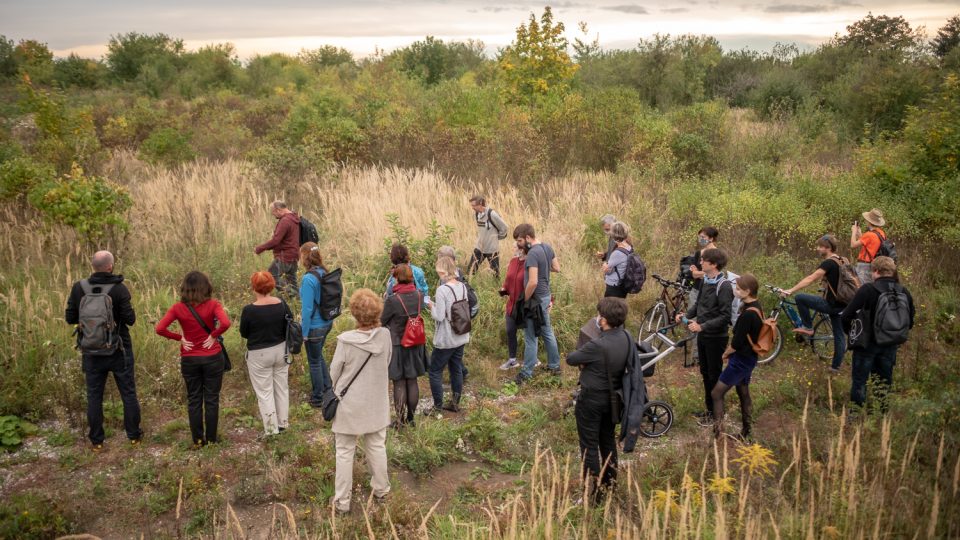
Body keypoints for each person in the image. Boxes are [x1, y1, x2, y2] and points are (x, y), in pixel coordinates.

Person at [65, 250, 143, 451]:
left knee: (94, 396)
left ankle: (97, 441)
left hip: (91, 351)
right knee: (128, 393)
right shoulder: (119, 289)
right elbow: (131, 321)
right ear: (110, 266)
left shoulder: (79, 288)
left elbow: (70, 317)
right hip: (119, 350)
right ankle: (134, 436)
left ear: (93, 266)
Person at [330, 289, 392, 514]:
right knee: (376, 446)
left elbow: (334, 373)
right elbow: (387, 362)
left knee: (345, 451)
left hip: (349, 405)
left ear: (354, 313)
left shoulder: (345, 341)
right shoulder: (385, 336)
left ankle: (342, 502)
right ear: (378, 311)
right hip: (376, 401)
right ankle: (381, 490)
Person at [566, 297, 631, 503]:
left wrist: (587, 362)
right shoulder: (627, 337)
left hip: (592, 400)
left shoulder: (598, 345)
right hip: (614, 400)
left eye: (599, 316)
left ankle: (591, 493)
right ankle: (609, 485)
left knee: (589, 446)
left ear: (603, 320)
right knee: (608, 441)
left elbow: (571, 358)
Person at [156, 271, 231, 447]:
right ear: (206, 287)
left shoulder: (177, 308)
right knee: (212, 398)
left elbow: (160, 328)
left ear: (185, 289)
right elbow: (226, 323)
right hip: (212, 356)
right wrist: (214, 335)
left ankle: (197, 440)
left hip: (189, 358)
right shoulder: (213, 305)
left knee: (194, 399)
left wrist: (179, 338)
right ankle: (212, 439)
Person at [840, 256, 915, 413]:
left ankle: (855, 415)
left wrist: (852, 333)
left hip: (866, 344)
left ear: (875, 271)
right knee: (884, 381)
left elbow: (846, 315)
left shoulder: (868, 290)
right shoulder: (903, 291)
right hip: (890, 344)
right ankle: (882, 415)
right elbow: (910, 321)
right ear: (892, 271)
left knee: (860, 380)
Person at [676, 248, 733, 426]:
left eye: (704, 260)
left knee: (714, 374)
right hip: (703, 335)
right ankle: (709, 411)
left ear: (713, 264)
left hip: (716, 337)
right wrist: (685, 314)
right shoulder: (705, 281)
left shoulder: (724, 286)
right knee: (705, 372)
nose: (700, 262)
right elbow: (699, 305)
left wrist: (702, 326)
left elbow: (725, 316)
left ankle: (717, 415)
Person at [779, 234, 848, 373]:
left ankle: (808, 327)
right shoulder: (843, 260)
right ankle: (835, 367)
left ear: (827, 248)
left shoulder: (828, 263)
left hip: (832, 304)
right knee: (839, 336)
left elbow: (811, 278)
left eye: (820, 247)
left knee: (800, 298)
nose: (817, 249)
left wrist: (791, 290)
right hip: (843, 303)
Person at [239, 271, 291, 437]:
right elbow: (289, 324)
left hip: (259, 354)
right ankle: (283, 423)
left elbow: (244, 333)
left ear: (254, 288)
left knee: (265, 392)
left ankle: (271, 429)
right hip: (281, 349)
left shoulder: (249, 310)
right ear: (272, 285)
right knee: (281, 388)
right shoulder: (282, 304)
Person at [711, 273, 762, 441]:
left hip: (741, 360)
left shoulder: (748, 314)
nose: (735, 290)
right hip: (749, 358)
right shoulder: (755, 305)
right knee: (743, 392)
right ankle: (747, 431)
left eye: (739, 289)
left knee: (717, 393)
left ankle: (718, 434)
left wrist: (726, 353)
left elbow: (738, 341)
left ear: (748, 291)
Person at [380, 264, 428, 427]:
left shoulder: (393, 300)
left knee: (399, 382)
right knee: (412, 380)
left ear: (396, 278)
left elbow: (382, 321)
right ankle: (411, 418)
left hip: (398, 344)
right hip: (415, 342)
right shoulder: (420, 295)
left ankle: (399, 421)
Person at [515, 223, 562, 385]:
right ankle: (555, 366)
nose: (518, 244)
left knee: (531, 336)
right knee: (547, 331)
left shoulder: (533, 254)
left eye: (520, 240)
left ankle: (526, 373)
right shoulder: (547, 248)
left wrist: (524, 300)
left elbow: (533, 282)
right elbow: (557, 268)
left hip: (534, 299)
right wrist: (544, 267)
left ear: (528, 238)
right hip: (545, 296)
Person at [426, 256, 470, 414]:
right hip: (461, 335)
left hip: (446, 338)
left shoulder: (442, 290)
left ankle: (437, 407)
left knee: (434, 371)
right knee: (456, 368)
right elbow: (454, 308)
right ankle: (455, 403)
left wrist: (431, 305)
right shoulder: (463, 286)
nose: (439, 276)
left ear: (445, 272)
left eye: (439, 273)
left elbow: (439, 316)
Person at [299, 242, 334, 408]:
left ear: (304, 257)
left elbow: (306, 310)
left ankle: (318, 397)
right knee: (318, 356)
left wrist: (303, 333)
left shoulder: (308, 279)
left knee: (314, 361)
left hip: (314, 326)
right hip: (327, 322)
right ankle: (328, 389)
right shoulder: (324, 272)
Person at [255, 201, 301, 298]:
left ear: (278, 210)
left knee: (271, 277)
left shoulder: (285, 221)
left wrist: (260, 248)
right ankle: (299, 299)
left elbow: (276, 240)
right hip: (294, 254)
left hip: (285, 256)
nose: (273, 215)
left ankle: (294, 295)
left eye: (273, 212)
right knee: (292, 280)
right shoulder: (294, 218)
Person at [498, 247, 527, 370]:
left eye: (518, 246)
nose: (515, 249)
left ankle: (532, 359)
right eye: (514, 246)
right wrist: (504, 288)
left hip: (525, 304)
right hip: (512, 304)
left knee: (529, 333)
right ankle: (512, 360)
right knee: (510, 330)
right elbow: (508, 279)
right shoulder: (513, 261)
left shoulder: (530, 263)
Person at [467, 196, 509, 278]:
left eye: (474, 205)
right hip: (479, 247)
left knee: (495, 275)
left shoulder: (491, 214)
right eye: (471, 206)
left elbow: (504, 227)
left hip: (492, 249)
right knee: (470, 271)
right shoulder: (477, 214)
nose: (472, 208)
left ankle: (496, 289)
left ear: (480, 204)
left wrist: (497, 238)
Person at [850, 208, 888, 285]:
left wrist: (854, 232)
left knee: (861, 287)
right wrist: (860, 234)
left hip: (865, 265)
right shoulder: (881, 233)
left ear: (869, 221)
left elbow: (853, 245)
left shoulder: (869, 234)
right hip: (874, 264)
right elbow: (869, 245)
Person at [601, 221, 634, 299]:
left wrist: (605, 264)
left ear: (613, 235)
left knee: (609, 310)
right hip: (622, 284)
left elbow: (607, 270)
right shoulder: (629, 246)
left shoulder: (617, 253)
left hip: (614, 287)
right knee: (619, 308)